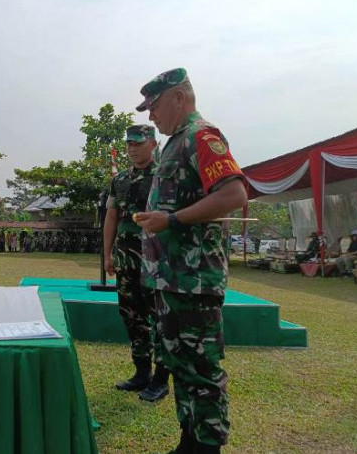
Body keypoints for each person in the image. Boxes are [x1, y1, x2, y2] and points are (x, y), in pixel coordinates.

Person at [135, 68, 247, 454]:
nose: (150, 115)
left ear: (179, 97)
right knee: (180, 366)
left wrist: (172, 220)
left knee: (202, 370)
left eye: (154, 106)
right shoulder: (174, 143)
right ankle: (190, 441)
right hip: (171, 279)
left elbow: (234, 194)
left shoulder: (202, 136)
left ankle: (207, 447)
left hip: (194, 280)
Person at [103, 124, 169, 402]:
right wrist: (108, 254)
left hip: (157, 258)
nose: (132, 148)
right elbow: (111, 217)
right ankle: (141, 372)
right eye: (129, 144)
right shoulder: (120, 180)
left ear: (153, 144)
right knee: (131, 315)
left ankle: (161, 379)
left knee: (161, 318)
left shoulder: (165, 176)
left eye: (138, 143)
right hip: (126, 257)